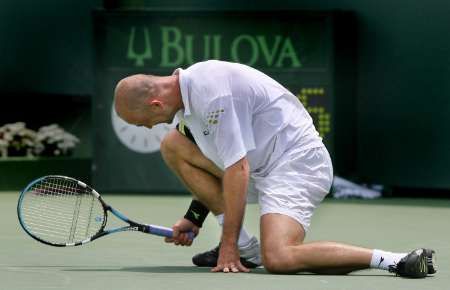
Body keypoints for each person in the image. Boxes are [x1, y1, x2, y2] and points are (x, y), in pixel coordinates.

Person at [114, 60, 436, 277]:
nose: (145, 127)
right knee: (173, 144)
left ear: (155, 104)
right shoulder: (187, 105)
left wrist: (226, 247)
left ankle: (394, 260)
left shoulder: (213, 94)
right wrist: (194, 217)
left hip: (296, 164)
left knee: (279, 258)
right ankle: (245, 247)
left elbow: (237, 168)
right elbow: (226, 163)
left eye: (143, 122)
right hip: (260, 165)